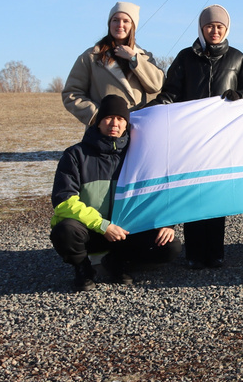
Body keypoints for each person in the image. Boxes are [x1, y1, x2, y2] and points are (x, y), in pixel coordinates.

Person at [155, 4, 243, 269]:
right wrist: (157, 107)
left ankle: (215, 252)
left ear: (226, 29)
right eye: (209, 26)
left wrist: (240, 95)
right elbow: (172, 90)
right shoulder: (185, 57)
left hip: (223, 137)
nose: (214, 31)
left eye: (219, 27)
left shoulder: (237, 57)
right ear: (201, 29)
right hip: (191, 137)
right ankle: (194, 253)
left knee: (216, 191)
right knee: (194, 190)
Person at [50, 95, 181, 290]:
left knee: (171, 246)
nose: (114, 123)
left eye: (120, 119)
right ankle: (83, 268)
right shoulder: (75, 155)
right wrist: (103, 226)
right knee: (65, 231)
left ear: (126, 124)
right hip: (92, 230)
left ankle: (118, 262)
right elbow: (64, 201)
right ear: (98, 121)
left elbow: (159, 191)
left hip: (125, 232)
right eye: (108, 118)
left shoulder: (138, 153)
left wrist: (167, 223)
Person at [62, 2, 164, 126]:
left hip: (135, 128)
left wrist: (133, 58)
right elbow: (71, 94)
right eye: (115, 20)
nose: (120, 25)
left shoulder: (144, 57)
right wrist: (99, 116)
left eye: (126, 21)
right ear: (109, 23)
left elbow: (156, 86)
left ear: (133, 26)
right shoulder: (91, 57)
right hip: (103, 133)